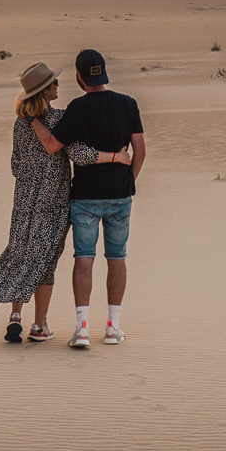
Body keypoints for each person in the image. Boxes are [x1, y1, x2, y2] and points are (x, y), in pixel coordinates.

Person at [0, 61, 130, 344]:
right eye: (53, 83)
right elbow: (80, 154)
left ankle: (15, 316)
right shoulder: (59, 119)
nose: (57, 86)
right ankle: (39, 325)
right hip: (53, 200)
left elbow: (16, 165)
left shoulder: (21, 124)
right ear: (44, 92)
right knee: (46, 261)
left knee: (22, 251)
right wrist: (115, 157)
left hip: (24, 199)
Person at [30, 48, 145, 348]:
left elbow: (54, 146)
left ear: (80, 77)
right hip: (120, 196)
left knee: (84, 259)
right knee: (117, 257)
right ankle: (112, 327)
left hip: (84, 198)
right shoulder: (128, 103)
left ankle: (81, 329)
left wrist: (32, 119)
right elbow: (141, 151)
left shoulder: (77, 108)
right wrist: (126, 182)